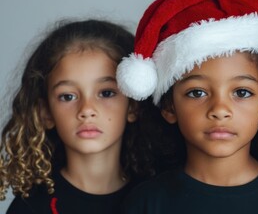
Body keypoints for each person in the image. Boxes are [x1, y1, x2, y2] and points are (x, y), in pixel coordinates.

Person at [118, 0, 258, 213]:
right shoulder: (146, 203)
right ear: (169, 106)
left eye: (241, 92)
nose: (219, 109)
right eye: (197, 92)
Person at [0, 19, 157, 214]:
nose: (87, 109)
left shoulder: (157, 199)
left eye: (106, 93)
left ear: (133, 105)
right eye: (68, 96)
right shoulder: (30, 207)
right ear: (45, 112)